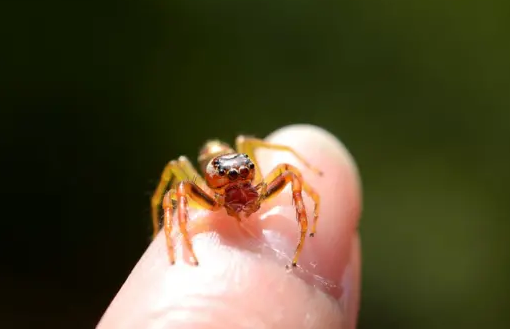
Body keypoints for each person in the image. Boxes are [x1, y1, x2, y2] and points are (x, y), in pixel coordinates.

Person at [97, 124, 362, 329]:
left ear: (250, 169)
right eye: (230, 182)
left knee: (288, 172)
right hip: (214, 172)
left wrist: (308, 209)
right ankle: (173, 242)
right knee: (176, 185)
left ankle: (304, 233)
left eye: (244, 177)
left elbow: (289, 172)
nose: (239, 189)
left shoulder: (251, 177)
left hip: (231, 165)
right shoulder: (202, 190)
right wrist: (169, 234)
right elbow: (170, 195)